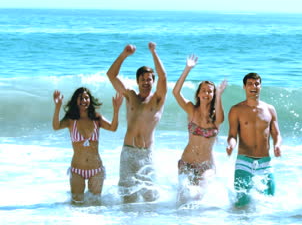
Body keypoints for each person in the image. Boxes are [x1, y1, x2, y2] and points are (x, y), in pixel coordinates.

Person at [106, 42, 167, 203]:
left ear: (153, 81)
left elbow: (163, 77)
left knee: (150, 198)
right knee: (127, 198)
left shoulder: (157, 100)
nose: (146, 82)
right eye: (143, 79)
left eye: (149, 79)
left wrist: (154, 52)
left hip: (146, 154)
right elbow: (111, 75)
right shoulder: (130, 96)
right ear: (137, 81)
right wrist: (124, 55)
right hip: (128, 153)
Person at [172, 54, 227, 205]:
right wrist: (187, 69)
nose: (206, 93)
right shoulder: (191, 110)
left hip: (205, 166)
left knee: (198, 196)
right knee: (182, 199)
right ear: (198, 93)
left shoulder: (216, 117)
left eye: (210, 91)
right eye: (203, 90)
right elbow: (175, 92)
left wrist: (219, 95)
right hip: (187, 162)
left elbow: (221, 120)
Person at [52, 87, 123, 204]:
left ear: (90, 100)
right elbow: (56, 126)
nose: (84, 101)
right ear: (76, 101)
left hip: (96, 170)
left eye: (86, 98)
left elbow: (113, 127)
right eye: (80, 98)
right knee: (76, 204)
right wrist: (57, 107)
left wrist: (116, 110)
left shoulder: (96, 118)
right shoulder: (71, 120)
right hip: (77, 170)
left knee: (95, 205)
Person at [226, 72, 282, 207]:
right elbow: (232, 135)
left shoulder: (270, 109)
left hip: (265, 161)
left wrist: (277, 145)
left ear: (260, 86)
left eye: (257, 84)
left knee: (269, 202)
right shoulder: (236, 110)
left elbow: (277, 134)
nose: (254, 86)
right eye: (250, 83)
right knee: (241, 203)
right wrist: (231, 145)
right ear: (244, 87)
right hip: (244, 160)